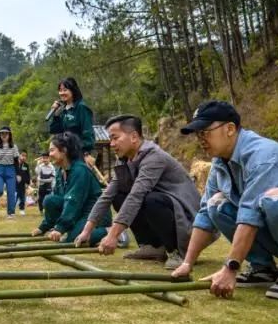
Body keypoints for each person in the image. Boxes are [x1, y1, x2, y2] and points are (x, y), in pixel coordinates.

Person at [172, 101, 278, 301]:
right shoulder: (220, 163)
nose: (200, 139)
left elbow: (250, 213)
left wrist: (230, 268)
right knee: (216, 204)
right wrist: (187, 263)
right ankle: (262, 268)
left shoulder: (264, 154)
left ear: (229, 129)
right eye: (198, 134)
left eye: (205, 132)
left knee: (275, 198)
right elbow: (204, 214)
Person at [75, 115, 203, 271]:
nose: (112, 144)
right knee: (118, 196)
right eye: (110, 139)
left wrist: (113, 236)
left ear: (134, 136)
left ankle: (176, 251)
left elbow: (137, 196)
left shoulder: (154, 157)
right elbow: (107, 195)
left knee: (150, 200)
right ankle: (152, 246)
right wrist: (86, 231)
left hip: (188, 218)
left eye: (115, 138)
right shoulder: (125, 160)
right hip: (164, 207)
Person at [31, 133, 108, 245]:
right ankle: (71, 228)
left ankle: (108, 231)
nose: (50, 154)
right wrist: (43, 227)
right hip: (78, 212)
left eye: (52, 150)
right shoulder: (59, 171)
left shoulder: (80, 170)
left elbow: (73, 202)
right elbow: (58, 200)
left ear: (64, 150)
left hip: (94, 213)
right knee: (49, 199)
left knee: (74, 239)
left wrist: (60, 228)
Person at [47, 77, 96, 159]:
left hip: (79, 155)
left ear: (73, 90)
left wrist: (85, 152)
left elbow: (88, 135)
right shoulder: (63, 110)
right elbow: (55, 131)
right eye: (60, 90)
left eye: (65, 90)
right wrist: (56, 115)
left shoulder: (81, 108)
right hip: (65, 155)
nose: (62, 93)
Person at [0, 126, 21, 218]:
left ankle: (11, 212)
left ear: (9, 135)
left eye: (6, 133)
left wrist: (18, 174)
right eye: (2, 133)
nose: (4, 135)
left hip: (10, 169)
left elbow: (16, 161)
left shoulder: (14, 147)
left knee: (11, 192)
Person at [17, 151, 31, 216]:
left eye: (25, 156)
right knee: (14, 196)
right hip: (14, 183)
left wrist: (28, 183)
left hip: (22, 184)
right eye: (22, 155)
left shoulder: (26, 165)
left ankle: (22, 209)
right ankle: (11, 210)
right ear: (19, 155)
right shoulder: (15, 164)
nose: (24, 157)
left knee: (22, 197)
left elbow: (27, 174)